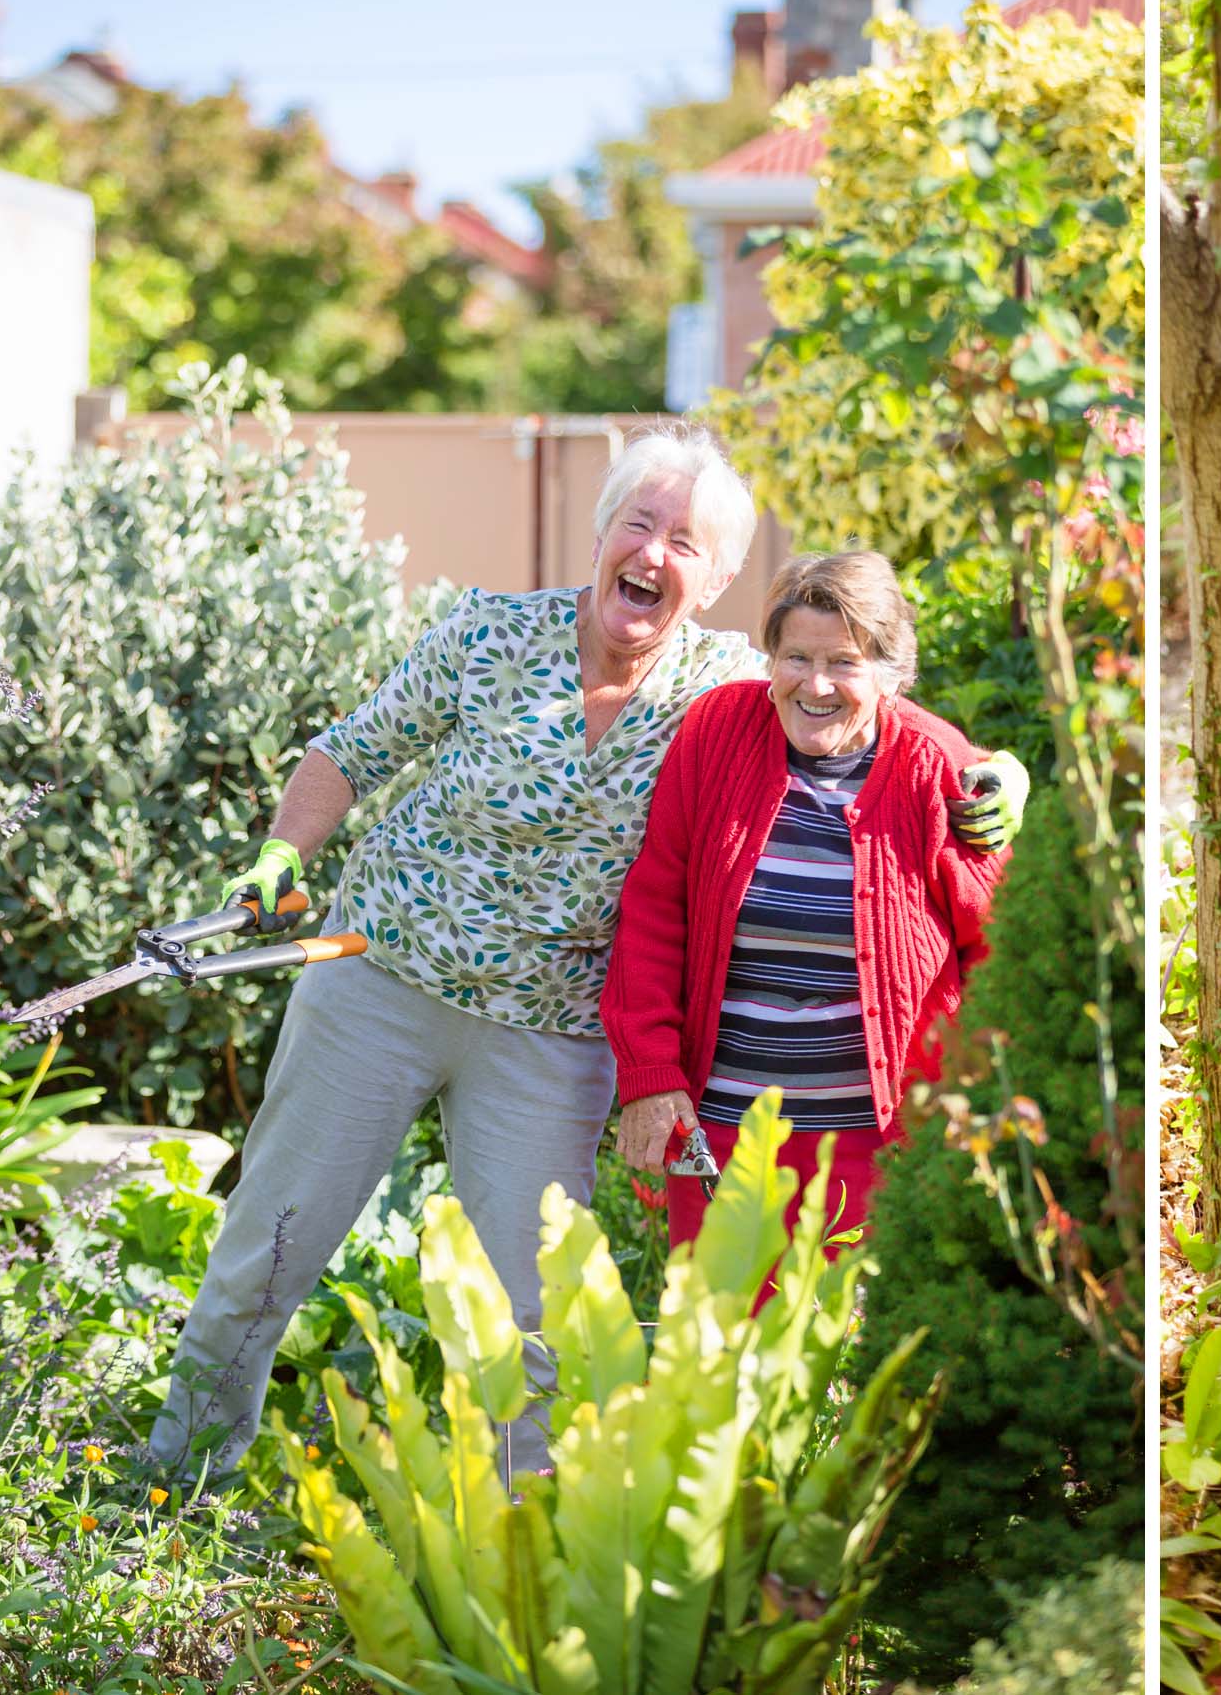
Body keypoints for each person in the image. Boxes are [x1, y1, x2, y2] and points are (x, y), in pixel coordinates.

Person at [149, 429, 1028, 1477]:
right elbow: (350, 749)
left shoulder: (729, 689)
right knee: (275, 1240)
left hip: (552, 1034)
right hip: (381, 981)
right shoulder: (488, 635)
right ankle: (180, 1479)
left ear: (716, 580)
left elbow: (861, 692)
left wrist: (998, 773)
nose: (653, 553)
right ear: (603, 531)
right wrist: (276, 858)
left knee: (540, 1308)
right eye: (639, 524)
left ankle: (530, 1548)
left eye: (684, 542)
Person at [600, 551, 1004, 1250]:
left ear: (889, 673)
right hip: (721, 1138)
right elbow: (654, 912)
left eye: (844, 662)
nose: (815, 684)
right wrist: (650, 1075)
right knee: (720, 1350)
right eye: (795, 657)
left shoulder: (939, 767)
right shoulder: (716, 734)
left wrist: (979, 1115)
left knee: (861, 1351)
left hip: (885, 1147)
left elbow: (1002, 950)